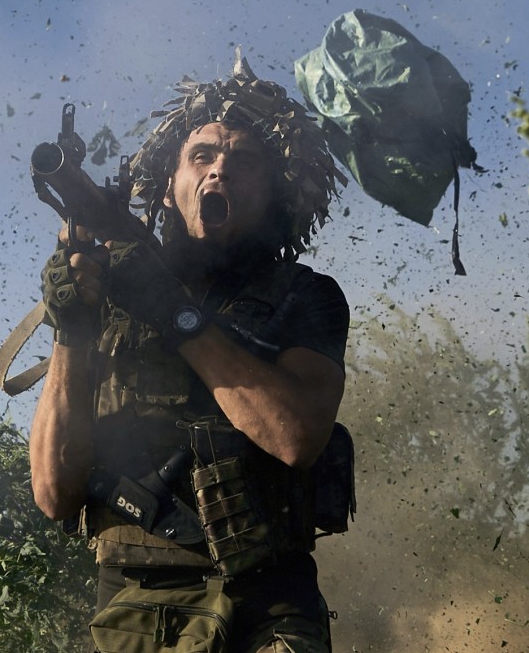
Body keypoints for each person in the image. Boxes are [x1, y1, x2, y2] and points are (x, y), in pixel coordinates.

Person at [30, 50, 351, 653]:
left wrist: (174, 314)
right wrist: (72, 328)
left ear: (274, 193)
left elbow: (296, 436)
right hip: (135, 612)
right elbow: (53, 493)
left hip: (270, 609)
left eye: (244, 163)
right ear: (169, 183)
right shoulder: (110, 298)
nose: (218, 174)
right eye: (201, 156)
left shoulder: (307, 297)